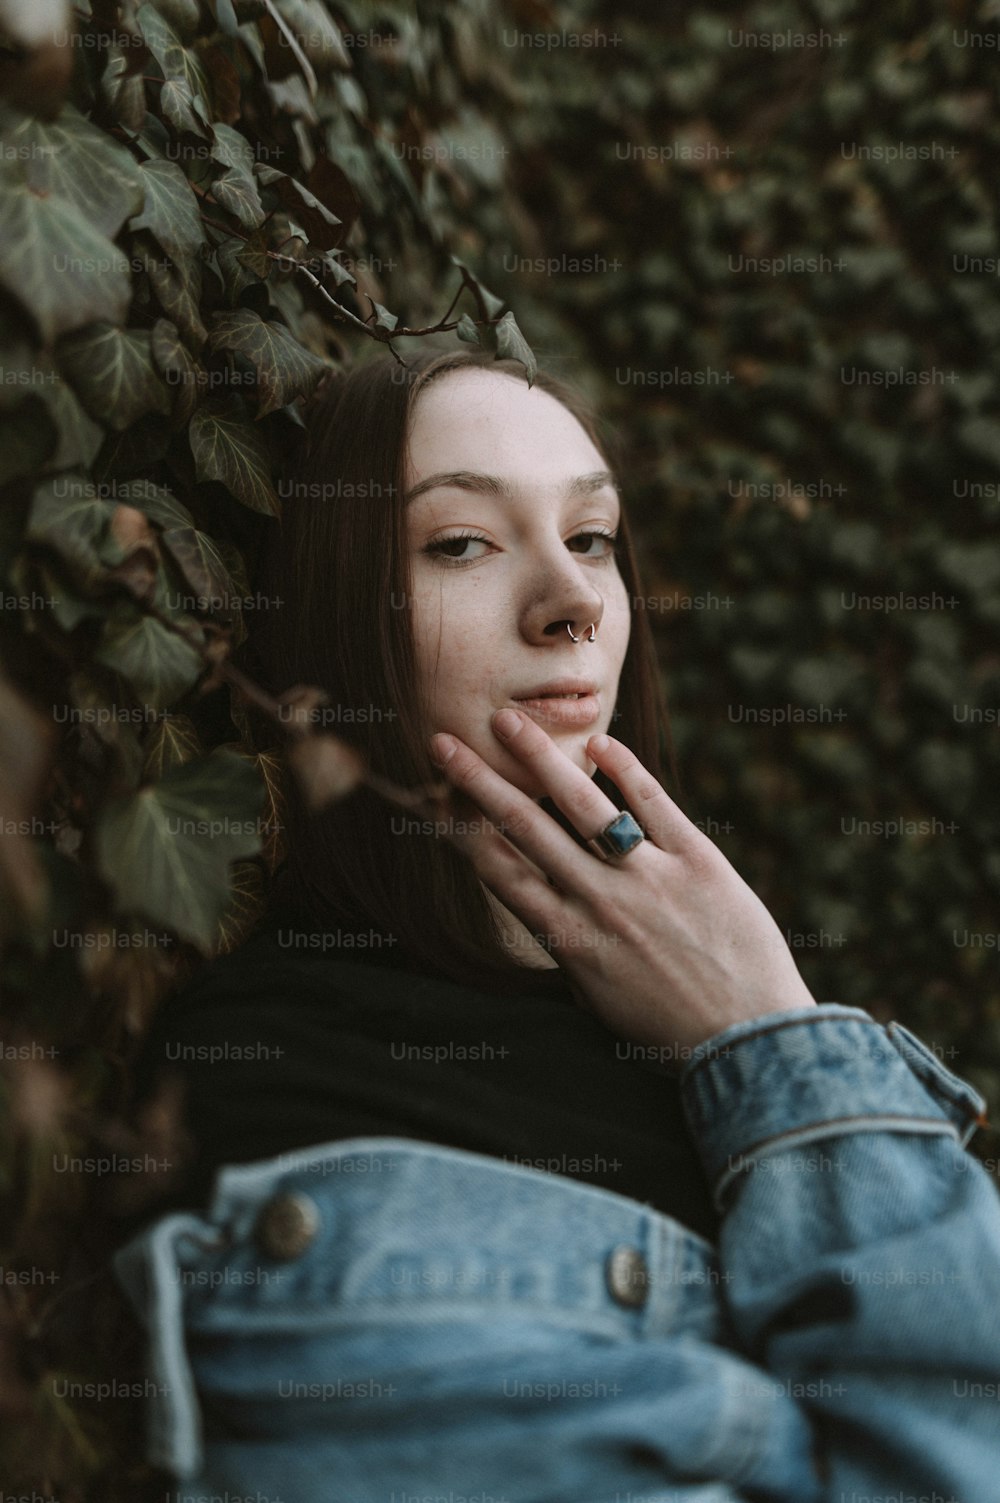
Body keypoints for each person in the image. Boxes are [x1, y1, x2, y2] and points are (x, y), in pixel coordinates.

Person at [114, 349, 1000, 1503]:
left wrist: (762, 1027)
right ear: (341, 620)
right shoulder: (293, 1079)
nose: (573, 600)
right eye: (462, 543)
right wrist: (782, 1049)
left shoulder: (703, 1040)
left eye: (590, 537)